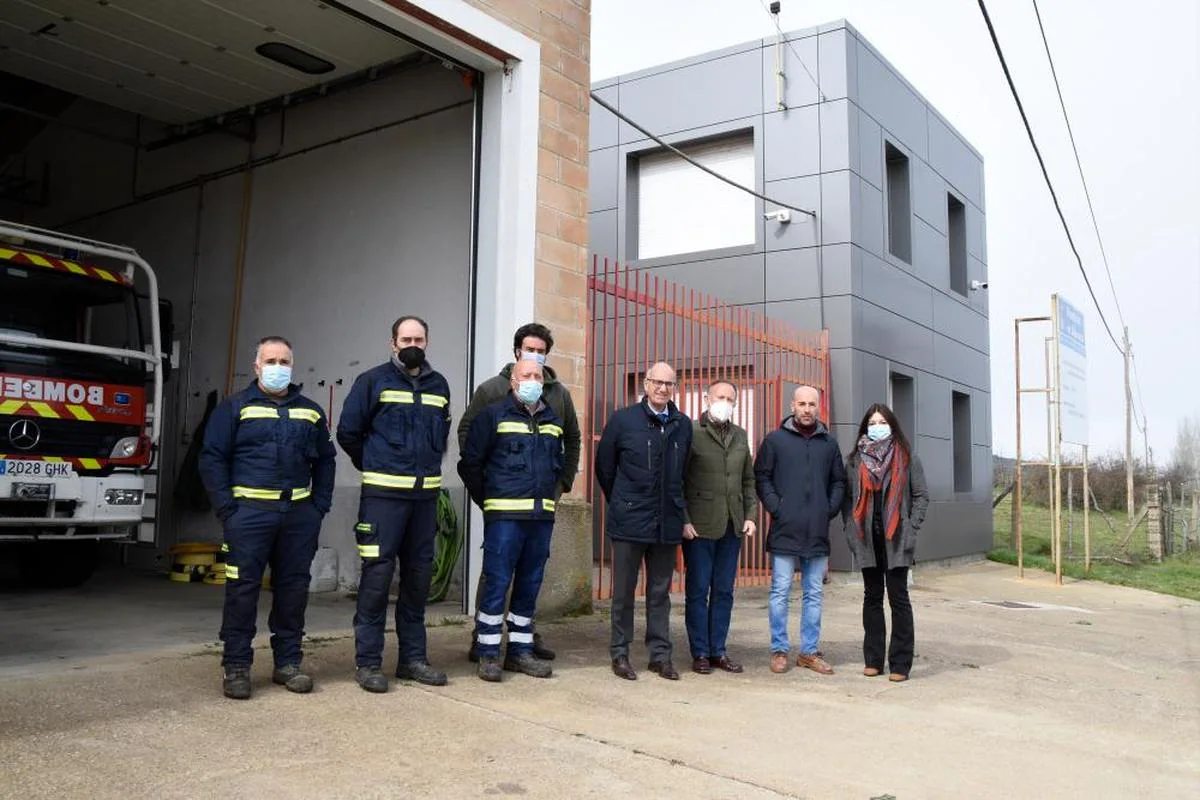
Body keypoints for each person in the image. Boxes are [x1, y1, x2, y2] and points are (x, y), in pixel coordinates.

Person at [199, 336, 336, 700]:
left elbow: (325, 460)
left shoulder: (310, 411)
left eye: (283, 361)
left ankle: (288, 664)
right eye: (270, 361)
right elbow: (212, 458)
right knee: (242, 591)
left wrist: (319, 505)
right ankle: (237, 667)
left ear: (293, 365)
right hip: (249, 516)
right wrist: (227, 509)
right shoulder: (235, 408)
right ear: (257, 366)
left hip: (298, 517)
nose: (278, 367)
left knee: (292, 591)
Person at [337, 316, 451, 693]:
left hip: (424, 500)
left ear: (427, 342)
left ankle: (413, 660)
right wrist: (374, 464)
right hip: (383, 500)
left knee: (418, 582)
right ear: (393, 344)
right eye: (406, 338)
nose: (412, 343)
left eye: (418, 337)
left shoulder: (440, 385)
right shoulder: (372, 381)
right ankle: (368, 663)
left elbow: (443, 436)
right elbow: (348, 433)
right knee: (376, 582)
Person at [457, 323, 580, 663]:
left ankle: (522, 643)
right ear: (516, 355)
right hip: (504, 505)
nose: (535, 361)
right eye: (530, 351)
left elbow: (571, 439)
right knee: (496, 576)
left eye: (541, 354)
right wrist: (490, 492)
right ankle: (484, 644)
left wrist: (562, 482)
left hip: (541, 506)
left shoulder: (558, 396)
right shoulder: (491, 392)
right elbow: (469, 441)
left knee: (530, 577)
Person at [595, 361, 692, 681]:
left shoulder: (683, 424)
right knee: (623, 591)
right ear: (646, 385)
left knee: (660, 592)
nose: (663, 388)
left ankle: (660, 655)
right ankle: (620, 653)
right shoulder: (623, 420)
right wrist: (624, 501)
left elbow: (684, 473)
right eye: (657, 382)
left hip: (666, 521)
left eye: (669, 383)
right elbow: (605, 468)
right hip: (630, 519)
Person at [754, 385, 846, 676]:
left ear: (819, 408)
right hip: (785, 528)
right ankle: (779, 650)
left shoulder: (828, 445)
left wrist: (826, 509)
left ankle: (808, 652)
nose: (807, 409)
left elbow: (839, 482)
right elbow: (762, 477)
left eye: (812, 404)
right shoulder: (775, 441)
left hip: (816, 530)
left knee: (814, 593)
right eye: (802, 404)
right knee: (780, 591)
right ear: (792, 405)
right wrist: (776, 508)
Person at [843, 404, 929, 682]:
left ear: (891, 425)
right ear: (865, 427)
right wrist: (849, 530)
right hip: (867, 538)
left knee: (898, 598)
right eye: (872, 422)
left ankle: (901, 663)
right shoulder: (855, 460)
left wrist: (912, 528)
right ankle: (873, 660)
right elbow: (847, 499)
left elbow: (921, 496)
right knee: (872, 597)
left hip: (897, 539)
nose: (877, 426)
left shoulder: (906, 457)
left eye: (882, 421)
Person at [681, 379, 757, 675]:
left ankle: (718, 651)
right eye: (719, 396)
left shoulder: (740, 435)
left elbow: (747, 479)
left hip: (731, 525)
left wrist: (749, 515)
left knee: (724, 591)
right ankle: (700, 651)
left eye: (729, 398)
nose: (724, 402)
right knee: (698, 590)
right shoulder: (692, 433)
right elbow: (679, 481)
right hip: (699, 527)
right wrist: (684, 520)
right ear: (706, 399)